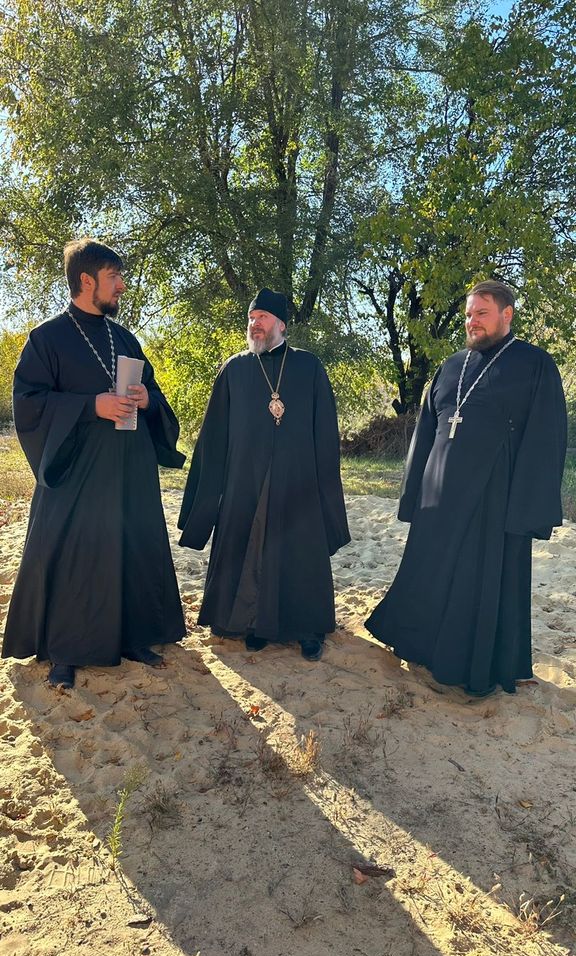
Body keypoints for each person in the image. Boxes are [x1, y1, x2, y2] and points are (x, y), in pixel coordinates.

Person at [365, 280, 567, 698]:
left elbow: (546, 439)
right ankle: (421, 647)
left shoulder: (534, 364)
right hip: (437, 495)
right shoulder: (451, 366)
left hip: (492, 499)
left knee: (478, 583)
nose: (472, 322)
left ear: (507, 314)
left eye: (481, 313)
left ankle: (470, 666)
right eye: (468, 315)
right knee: (429, 573)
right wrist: (414, 494)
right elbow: (427, 431)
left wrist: (527, 508)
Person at [2, 238, 186, 688]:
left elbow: (153, 393)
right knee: (75, 556)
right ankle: (65, 652)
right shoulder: (46, 339)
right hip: (76, 473)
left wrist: (147, 399)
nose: (122, 286)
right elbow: (28, 404)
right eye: (114, 277)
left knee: (132, 549)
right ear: (86, 281)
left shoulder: (124, 338)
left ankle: (134, 637)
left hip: (129, 470)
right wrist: (91, 406)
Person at [178, 287, 350, 660]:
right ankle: (252, 624)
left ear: (281, 324)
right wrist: (202, 501)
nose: (255, 324)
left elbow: (325, 431)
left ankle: (307, 629)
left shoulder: (308, 366)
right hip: (244, 478)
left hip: (298, 479)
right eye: (251, 318)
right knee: (248, 546)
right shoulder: (234, 369)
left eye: (263, 318)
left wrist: (323, 485)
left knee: (299, 551)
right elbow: (213, 436)